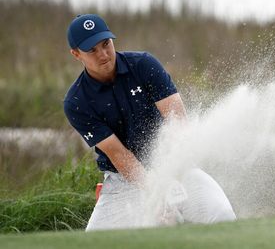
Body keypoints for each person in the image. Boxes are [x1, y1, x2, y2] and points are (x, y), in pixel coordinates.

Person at [64, 14, 236, 231]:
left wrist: (170, 176)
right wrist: (156, 193)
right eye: (92, 50)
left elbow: (178, 122)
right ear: (76, 54)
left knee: (221, 215)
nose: (104, 54)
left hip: (174, 166)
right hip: (123, 182)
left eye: (106, 44)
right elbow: (120, 156)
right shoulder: (77, 102)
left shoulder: (143, 65)